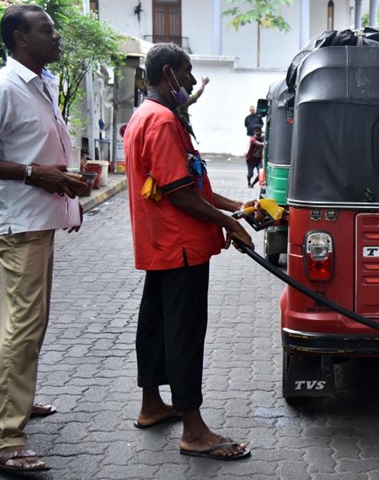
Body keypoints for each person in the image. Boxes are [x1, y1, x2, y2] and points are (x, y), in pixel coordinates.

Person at [0, 4, 86, 473]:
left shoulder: (42, 84)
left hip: (39, 219)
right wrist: (36, 174)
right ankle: (5, 440)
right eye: (46, 30)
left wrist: (66, 189)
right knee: (25, 328)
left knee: (26, 323)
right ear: (20, 39)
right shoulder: (0, 89)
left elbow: (40, 155)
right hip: (19, 224)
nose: (57, 36)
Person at [123, 42, 255, 461]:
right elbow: (181, 193)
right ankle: (194, 431)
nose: (193, 81)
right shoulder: (162, 121)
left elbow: (188, 182)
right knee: (183, 332)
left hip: (159, 244)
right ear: (168, 72)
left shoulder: (147, 115)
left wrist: (238, 207)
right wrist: (230, 224)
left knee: (156, 323)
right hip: (179, 245)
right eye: (187, 71)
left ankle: (151, 404)